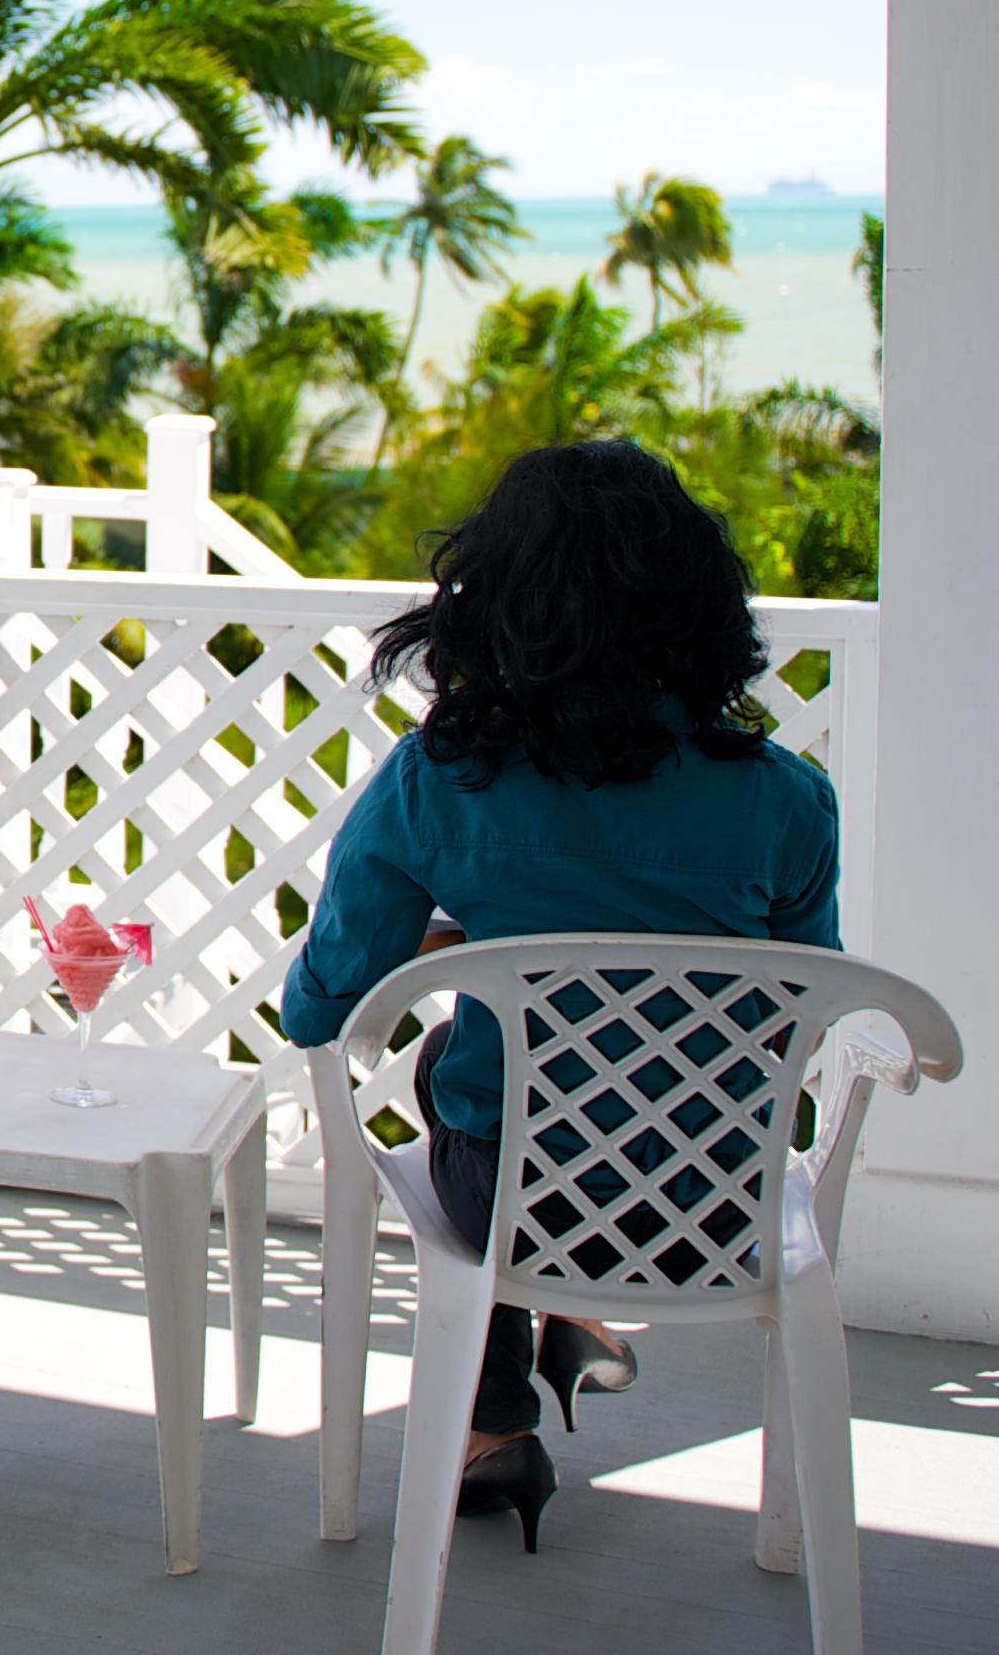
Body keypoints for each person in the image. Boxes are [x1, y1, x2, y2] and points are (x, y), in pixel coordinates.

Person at [277, 438, 842, 1549]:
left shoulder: (442, 780)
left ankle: (494, 1423)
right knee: (566, 1097)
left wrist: (461, 943)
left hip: (518, 1206)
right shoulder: (786, 801)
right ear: (698, 607)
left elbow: (320, 1007)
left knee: (460, 1072)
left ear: (496, 602)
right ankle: (570, 1321)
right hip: (712, 1213)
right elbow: (800, 1002)